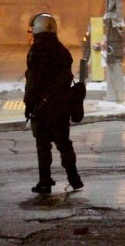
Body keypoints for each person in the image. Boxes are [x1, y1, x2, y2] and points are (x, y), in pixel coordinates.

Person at [24, 13, 84, 194]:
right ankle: (74, 178)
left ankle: (45, 181)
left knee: (43, 145)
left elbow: (33, 80)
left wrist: (29, 104)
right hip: (61, 106)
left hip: (43, 107)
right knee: (64, 143)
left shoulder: (36, 51)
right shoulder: (62, 50)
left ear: (37, 28)